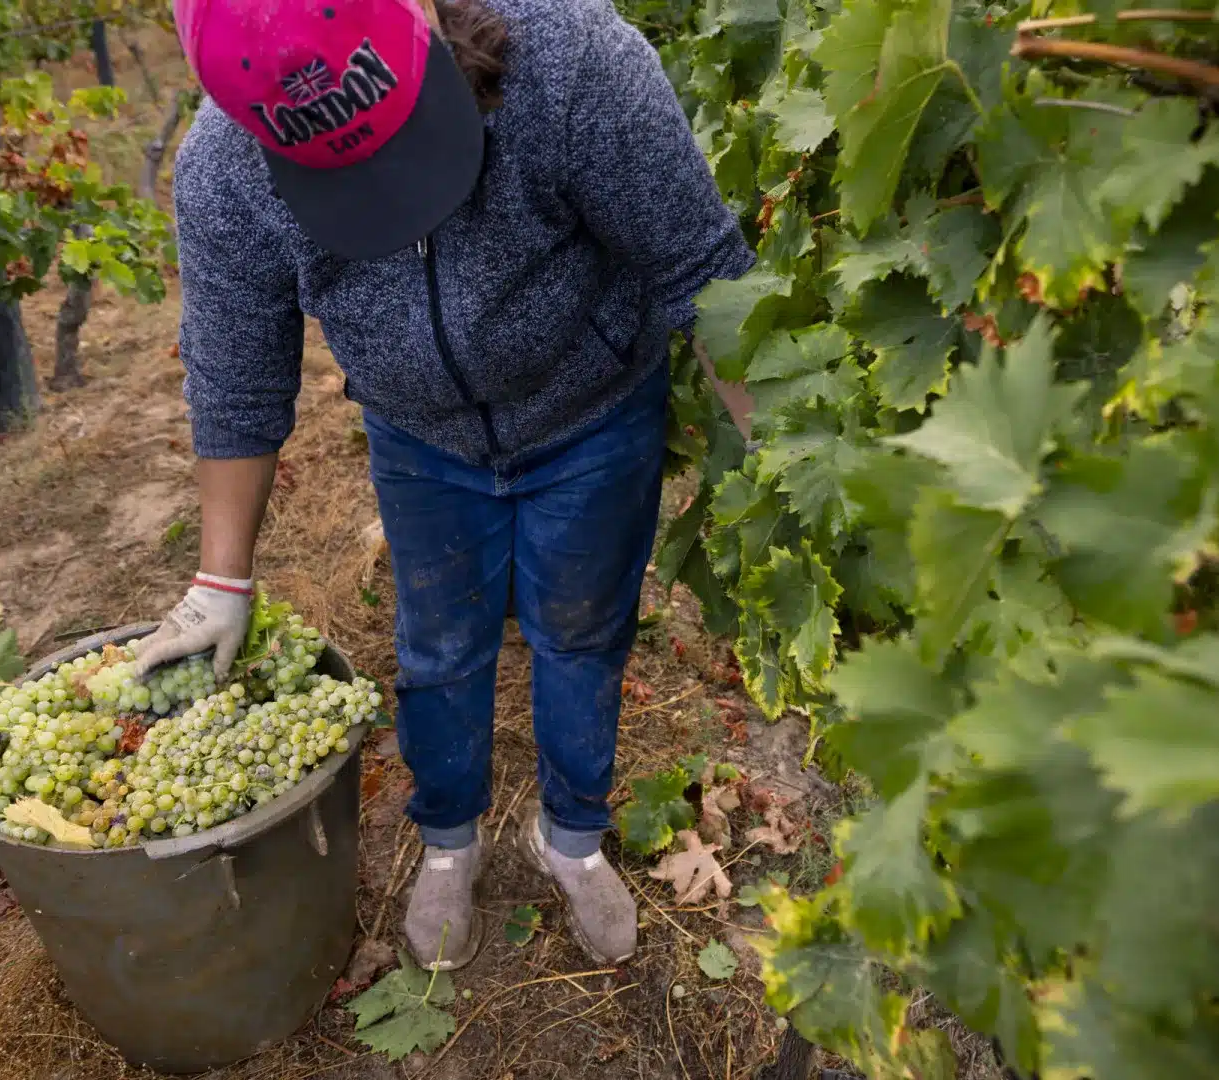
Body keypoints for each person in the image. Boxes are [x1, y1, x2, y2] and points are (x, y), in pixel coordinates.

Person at [133, 0, 755, 971]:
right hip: (423, 440)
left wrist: (802, 466)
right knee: (439, 648)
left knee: (584, 632)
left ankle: (573, 841)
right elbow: (236, 384)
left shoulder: (575, 59)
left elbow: (704, 272)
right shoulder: (224, 170)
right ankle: (448, 843)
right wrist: (220, 580)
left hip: (592, 409)